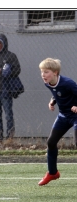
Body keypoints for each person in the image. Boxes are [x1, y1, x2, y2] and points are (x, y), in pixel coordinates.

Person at [38, 57, 77, 186]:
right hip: (63, 116)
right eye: (42, 72)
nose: (43, 75)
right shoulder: (47, 83)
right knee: (51, 142)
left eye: (46, 72)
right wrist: (53, 101)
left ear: (55, 72)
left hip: (76, 116)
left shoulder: (68, 83)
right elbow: (57, 93)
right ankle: (52, 173)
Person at [0, 33, 21, 141]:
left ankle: (10, 138)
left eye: (0, 43)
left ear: (4, 43)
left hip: (6, 90)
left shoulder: (11, 56)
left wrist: (2, 71)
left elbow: (17, 70)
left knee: (8, 115)